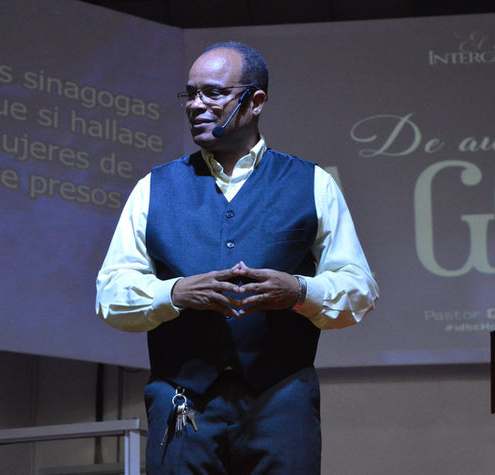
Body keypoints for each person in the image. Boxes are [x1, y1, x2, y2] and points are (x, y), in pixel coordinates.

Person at [96, 41, 378, 474]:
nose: (195, 105)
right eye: (191, 93)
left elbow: (359, 289)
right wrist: (174, 293)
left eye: (213, 93)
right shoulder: (153, 188)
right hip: (183, 401)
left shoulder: (313, 183)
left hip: (282, 402)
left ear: (256, 101)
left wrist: (299, 291)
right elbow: (111, 295)